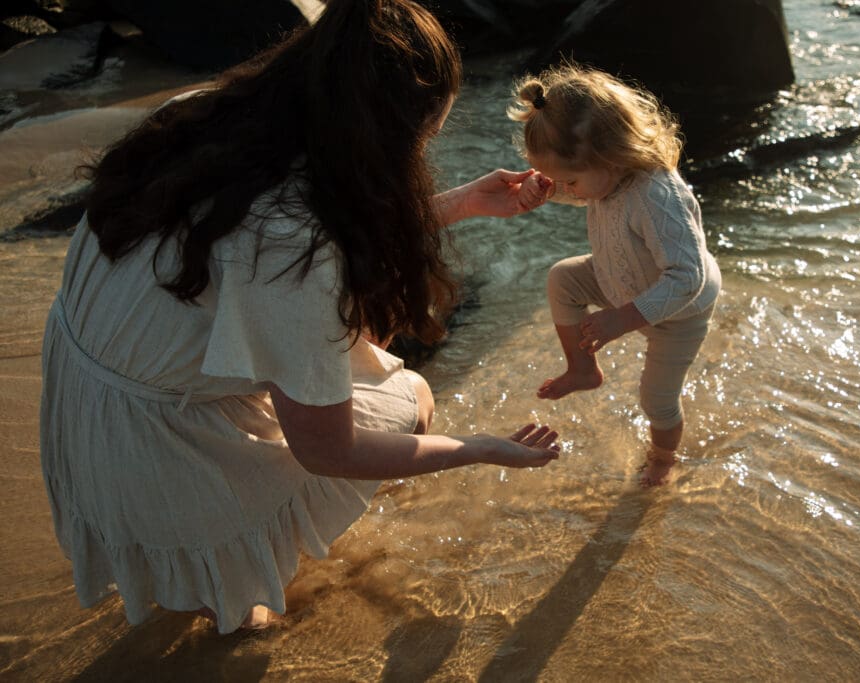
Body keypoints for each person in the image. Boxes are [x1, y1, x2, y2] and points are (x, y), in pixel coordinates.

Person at [39, 0, 562, 635]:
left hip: (86, 397)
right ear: (391, 132)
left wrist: (455, 205)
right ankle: (213, 574)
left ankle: (201, 572)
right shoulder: (292, 244)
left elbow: (264, 231)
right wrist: (480, 447)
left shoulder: (209, 113)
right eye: (424, 137)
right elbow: (327, 448)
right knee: (410, 400)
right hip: (156, 442)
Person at [507, 63, 721, 487]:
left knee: (656, 400)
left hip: (679, 311)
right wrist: (546, 190)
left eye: (568, 180)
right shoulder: (606, 178)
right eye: (557, 181)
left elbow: (686, 276)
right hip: (622, 279)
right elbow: (588, 193)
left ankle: (663, 457)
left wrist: (622, 319)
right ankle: (583, 369)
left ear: (610, 155)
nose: (568, 189)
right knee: (562, 278)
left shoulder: (658, 195)